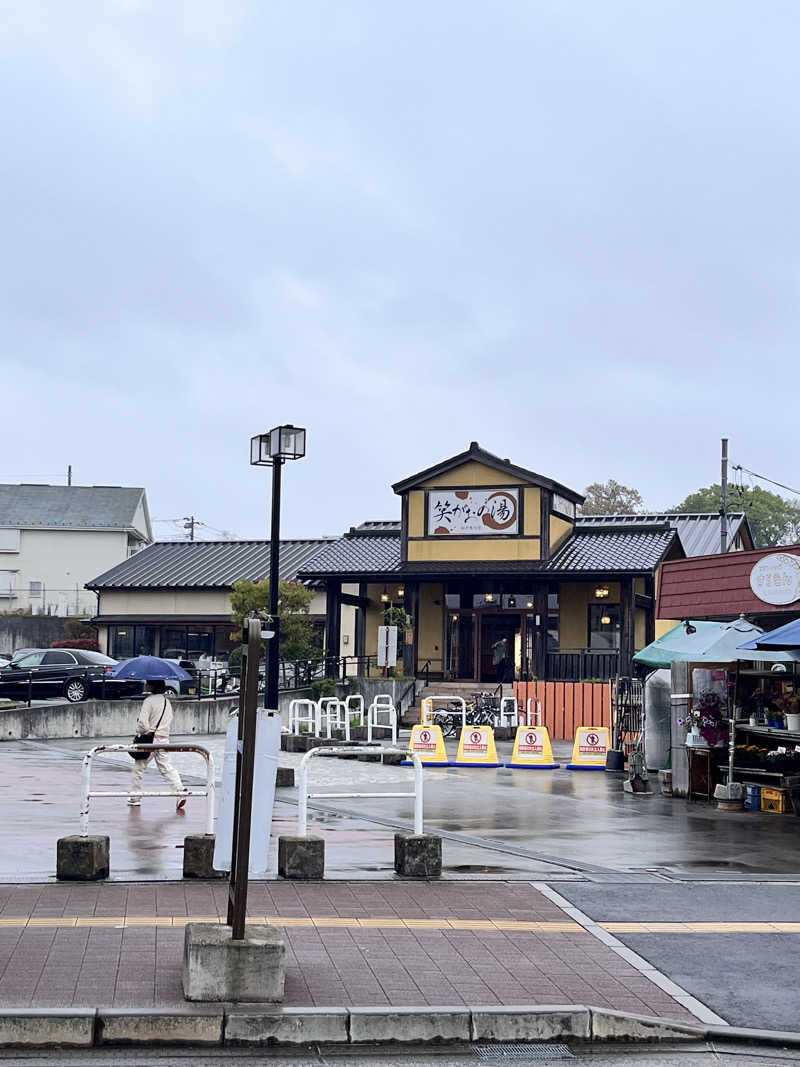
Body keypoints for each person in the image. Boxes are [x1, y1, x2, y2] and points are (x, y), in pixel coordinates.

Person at [128, 679, 189, 811]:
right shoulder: (167, 702)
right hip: (164, 739)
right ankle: (179, 790)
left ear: (152, 686)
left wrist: (140, 731)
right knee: (166, 767)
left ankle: (135, 797)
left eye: (148, 683)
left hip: (150, 740)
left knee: (139, 767)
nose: (146, 684)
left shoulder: (149, 701)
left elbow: (143, 724)